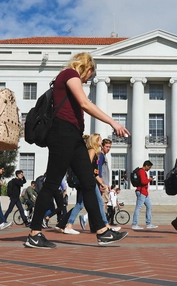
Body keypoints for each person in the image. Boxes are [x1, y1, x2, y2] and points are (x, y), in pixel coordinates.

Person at [24, 52, 129, 249]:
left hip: (74, 137)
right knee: (52, 184)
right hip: (62, 134)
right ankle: (34, 233)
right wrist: (113, 123)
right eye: (91, 75)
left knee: (88, 183)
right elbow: (84, 103)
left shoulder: (71, 78)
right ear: (87, 68)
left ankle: (102, 231)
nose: (90, 79)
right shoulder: (69, 74)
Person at [131, 160, 158, 230]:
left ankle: (148, 223)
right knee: (138, 208)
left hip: (144, 192)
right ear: (146, 166)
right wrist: (149, 179)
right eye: (149, 167)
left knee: (149, 206)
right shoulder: (141, 171)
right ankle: (134, 224)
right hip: (141, 192)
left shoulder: (142, 171)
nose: (149, 169)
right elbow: (143, 181)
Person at [99, 138, 112, 209]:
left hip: (105, 183)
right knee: (104, 203)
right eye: (107, 147)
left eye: (110, 147)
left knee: (103, 202)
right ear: (102, 146)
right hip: (103, 183)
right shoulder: (101, 156)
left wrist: (108, 184)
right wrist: (102, 184)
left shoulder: (104, 156)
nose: (108, 148)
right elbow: (99, 170)